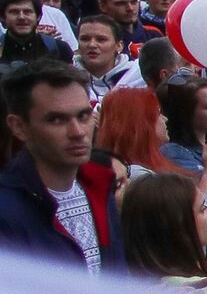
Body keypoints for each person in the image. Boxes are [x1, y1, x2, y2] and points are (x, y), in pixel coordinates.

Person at [0, 63, 122, 271]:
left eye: (83, 116)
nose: (78, 132)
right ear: (18, 126)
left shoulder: (100, 186)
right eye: (56, 120)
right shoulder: (6, 208)